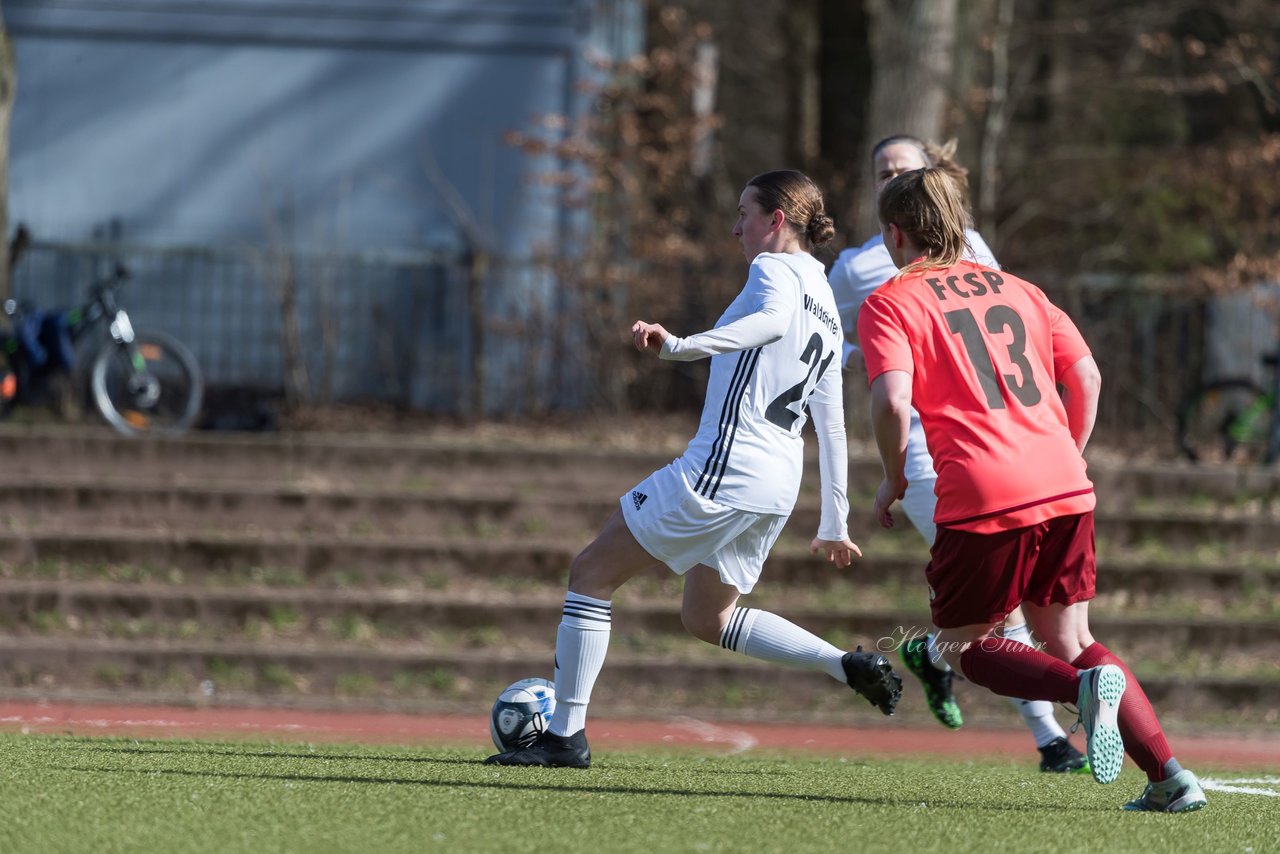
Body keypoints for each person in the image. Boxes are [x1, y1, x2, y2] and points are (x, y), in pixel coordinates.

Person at [485, 170, 903, 768]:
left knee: (591, 572)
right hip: (777, 485)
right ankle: (845, 664)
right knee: (708, 618)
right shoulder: (831, 307)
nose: (736, 227)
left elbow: (773, 323)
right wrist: (835, 518)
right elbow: (832, 424)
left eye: (744, 213)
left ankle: (563, 737)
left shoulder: (774, 270)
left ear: (777, 220)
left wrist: (680, 345)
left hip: (727, 467)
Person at [857, 166, 1207, 812]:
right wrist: (1065, 455)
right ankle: (1170, 778)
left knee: (965, 648)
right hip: (1066, 486)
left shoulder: (891, 301)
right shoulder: (1021, 289)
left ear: (895, 234)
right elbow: (1089, 378)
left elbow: (890, 401)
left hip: (985, 494)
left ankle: (1080, 693)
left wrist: (893, 476)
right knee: (1072, 639)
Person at [829, 135, 1088, 775]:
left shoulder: (977, 253)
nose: (894, 177)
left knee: (990, 617)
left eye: (906, 169)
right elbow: (832, 351)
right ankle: (1052, 737)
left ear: (932, 178)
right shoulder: (860, 269)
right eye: (883, 171)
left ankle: (936, 658)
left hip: (1004, 448)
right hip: (927, 453)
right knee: (998, 615)